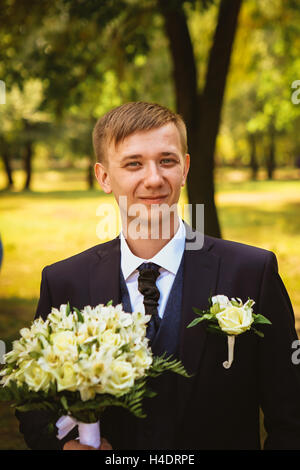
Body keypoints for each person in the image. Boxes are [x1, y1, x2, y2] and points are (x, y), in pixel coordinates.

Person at [16, 102, 300, 450]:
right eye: (133, 164)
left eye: (167, 160)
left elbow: (291, 417)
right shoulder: (64, 282)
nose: (153, 179)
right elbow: (33, 408)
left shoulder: (251, 273)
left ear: (185, 168)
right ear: (104, 176)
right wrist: (62, 447)